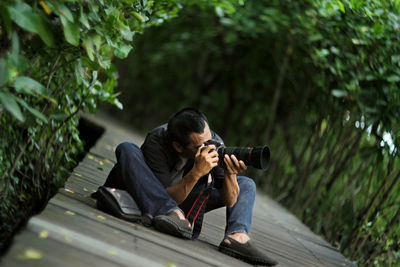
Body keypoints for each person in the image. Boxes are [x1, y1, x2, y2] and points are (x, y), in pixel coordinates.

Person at [103, 108, 278, 266]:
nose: (208, 147)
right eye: (199, 146)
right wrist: (196, 173)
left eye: (209, 139)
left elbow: (230, 199)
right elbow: (163, 197)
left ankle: (236, 236)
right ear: (178, 146)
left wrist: (230, 174)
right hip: (156, 198)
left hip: (182, 206)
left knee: (246, 184)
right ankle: (176, 215)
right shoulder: (157, 141)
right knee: (127, 148)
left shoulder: (214, 142)